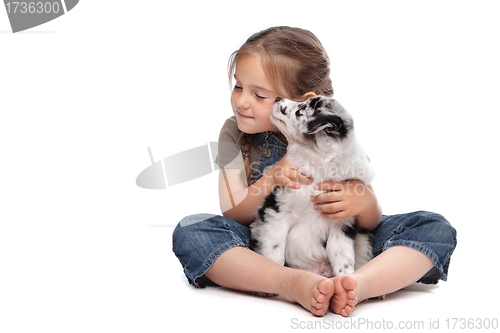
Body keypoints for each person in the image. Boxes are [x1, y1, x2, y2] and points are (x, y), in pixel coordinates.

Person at [172, 26, 457, 317]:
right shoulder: (233, 132)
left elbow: (369, 222)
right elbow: (233, 212)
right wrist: (271, 177)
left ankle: (357, 284)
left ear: (305, 102)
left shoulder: (331, 132)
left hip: (346, 246)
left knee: (433, 227)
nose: (242, 101)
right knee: (193, 230)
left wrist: (365, 203)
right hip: (270, 248)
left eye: (259, 95)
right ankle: (287, 281)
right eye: (238, 86)